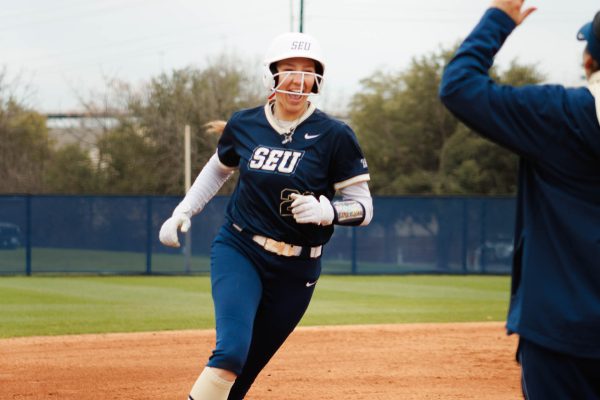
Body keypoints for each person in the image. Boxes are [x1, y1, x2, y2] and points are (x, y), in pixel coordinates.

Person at [159, 31, 373, 400]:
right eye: (288, 68)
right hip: (241, 248)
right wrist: (184, 209)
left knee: (241, 377)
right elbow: (217, 169)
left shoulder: (335, 134)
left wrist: (329, 211)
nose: (298, 78)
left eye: (308, 71)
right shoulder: (245, 124)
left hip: (298, 271)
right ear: (270, 75)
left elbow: (364, 207)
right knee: (230, 353)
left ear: (318, 79)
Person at [440, 1, 600, 398]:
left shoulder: (560, 114)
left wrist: (498, 19)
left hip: (561, 333)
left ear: (590, 58)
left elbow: (460, 86)